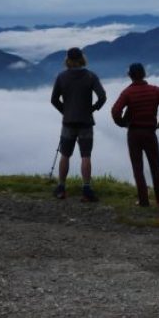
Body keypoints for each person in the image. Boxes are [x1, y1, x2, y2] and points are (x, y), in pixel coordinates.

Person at [110, 63, 159, 207]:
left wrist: (123, 123)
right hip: (150, 132)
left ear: (130, 75)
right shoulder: (155, 90)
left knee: (137, 167)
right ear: (144, 74)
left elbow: (115, 111)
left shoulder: (127, 92)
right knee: (155, 167)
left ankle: (143, 201)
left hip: (134, 133)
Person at [50, 47, 106, 202]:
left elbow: (54, 100)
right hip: (86, 122)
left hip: (68, 122)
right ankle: (86, 189)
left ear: (67, 60)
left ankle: (61, 188)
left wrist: (65, 111)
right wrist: (93, 109)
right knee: (86, 156)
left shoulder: (61, 77)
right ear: (82, 59)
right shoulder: (90, 76)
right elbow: (102, 97)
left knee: (65, 155)